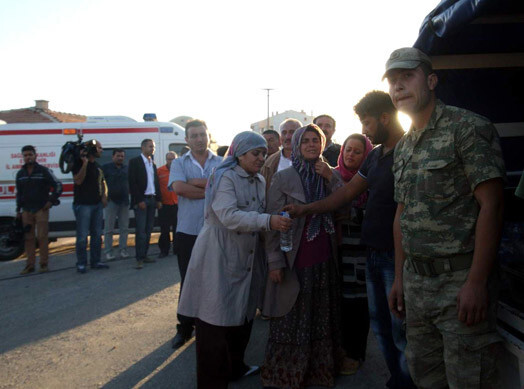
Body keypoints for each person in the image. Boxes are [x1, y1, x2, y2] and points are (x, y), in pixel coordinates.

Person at [385, 47, 505, 388]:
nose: (399, 87)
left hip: (459, 285)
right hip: (417, 284)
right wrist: (399, 278)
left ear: (432, 80)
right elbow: (401, 215)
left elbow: (492, 207)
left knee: (469, 380)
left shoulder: (467, 128)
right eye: (393, 81)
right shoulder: (405, 145)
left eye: (407, 76)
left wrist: (477, 282)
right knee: (426, 380)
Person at [283, 91, 415, 389]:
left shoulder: (410, 149)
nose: (365, 130)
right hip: (372, 256)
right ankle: (397, 382)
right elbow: (346, 193)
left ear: (384, 118)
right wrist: (307, 209)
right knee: (381, 328)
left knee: (402, 332)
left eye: (367, 124)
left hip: (398, 257)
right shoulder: (377, 156)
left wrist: (399, 267)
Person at [178, 131, 292, 389]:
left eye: (264, 153)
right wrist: (268, 221)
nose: (261, 158)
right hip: (219, 255)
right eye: (256, 153)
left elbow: (260, 212)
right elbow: (229, 216)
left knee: (242, 317)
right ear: (240, 154)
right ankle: (212, 382)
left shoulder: (260, 180)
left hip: (248, 257)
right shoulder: (225, 176)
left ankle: (235, 367)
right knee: (214, 322)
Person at [261, 124, 344, 389]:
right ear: (296, 146)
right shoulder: (284, 177)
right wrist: (274, 262)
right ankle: (288, 374)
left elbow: (347, 206)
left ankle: (319, 372)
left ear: (323, 144)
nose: (311, 145)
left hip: (324, 258)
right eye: (305, 141)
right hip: (294, 259)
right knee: (292, 317)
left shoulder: (328, 173)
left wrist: (332, 178)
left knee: (321, 317)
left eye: (315, 140)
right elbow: (272, 224)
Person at [168, 119, 222, 350]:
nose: (199, 139)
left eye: (203, 134)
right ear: (187, 139)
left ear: (209, 136)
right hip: (187, 231)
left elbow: (224, 189)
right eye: (195, 135)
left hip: (216, 231)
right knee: (188, 280)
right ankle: (185, 328)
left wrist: (197, 184)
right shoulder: (179, 163)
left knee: (215, 278)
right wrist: (210, 188)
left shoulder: (221, 162)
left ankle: (210, 325)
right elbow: (179, 188)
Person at [334, 134, 373, 375]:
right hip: (334, 251)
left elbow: (378, 215)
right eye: (348, 149)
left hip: (358, 255)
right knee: (337, 304)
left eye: (357, 152)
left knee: (357, 306)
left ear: (366, 155)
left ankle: (355, 353)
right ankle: (339, 352)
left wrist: (352, 213)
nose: (350, 154)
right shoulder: (332, 176)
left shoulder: (372, 181)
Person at [16, 145, 62, 274]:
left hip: (41, 209)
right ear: (23, 157)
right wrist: (18, 210)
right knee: (28, 238)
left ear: (35, 156)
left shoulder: (43, 171)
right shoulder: (21, 174)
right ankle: (29, 265)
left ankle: (43, 264)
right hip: (26, 210)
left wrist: (50, 201)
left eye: (30, 154)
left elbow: (58, 185)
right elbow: (19, 193)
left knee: (42, 237)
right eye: (25, 155)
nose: (28, 157)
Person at [72, 140, 109, 273]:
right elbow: (78, 180)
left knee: (97, 235)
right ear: (92, 149)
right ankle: (81, 263)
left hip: (97, 205)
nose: (102, 150)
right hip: (83, 205)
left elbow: (102, 182)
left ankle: (96, 261)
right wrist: (85, 163)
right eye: (99, 148)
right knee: (82, 237)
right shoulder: (78, 164)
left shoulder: (98, 166)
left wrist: (104, 196)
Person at [128, 139, 162, 269]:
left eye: (153, 147)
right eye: (150, 146)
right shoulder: (135, 162)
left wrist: (159, 199)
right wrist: (139, 200)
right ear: (142, 147)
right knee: (141, 231)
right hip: (142, 201)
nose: (152, 149)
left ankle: (145, 255)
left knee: (148, 230)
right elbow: (132, 183)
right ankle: (139, 258)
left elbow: (156, 183)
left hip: (152, 200)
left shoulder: (152, 163)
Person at [102, 148, 130, 261]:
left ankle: (123, 250)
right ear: (113, 156)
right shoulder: (106, 168)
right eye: (118, 156)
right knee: (109, 229)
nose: (120, 158)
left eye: (122, 156)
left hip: (124, 201)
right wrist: (104, 197)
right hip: (111, 201)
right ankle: (108, 252)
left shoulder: (126, 168)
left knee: (124, 228)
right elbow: (101, 183)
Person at [260, 118, 302, 191]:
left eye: (292, 132)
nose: (287, 137)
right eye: (284, 133)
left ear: (301, 134)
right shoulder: (269, 162)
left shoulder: (312, 159)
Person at [157, 151, 178, 258]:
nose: (171, 161)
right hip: (164, 204)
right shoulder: (159, 171)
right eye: (169, 159)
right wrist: (158, 201)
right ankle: (164, 250)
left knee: (177, 228)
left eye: (173, 159)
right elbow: (156, 187)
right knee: (164, 229)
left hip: (177, 204)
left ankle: (176, 249)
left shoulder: (180, 170)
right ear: (166, 160)